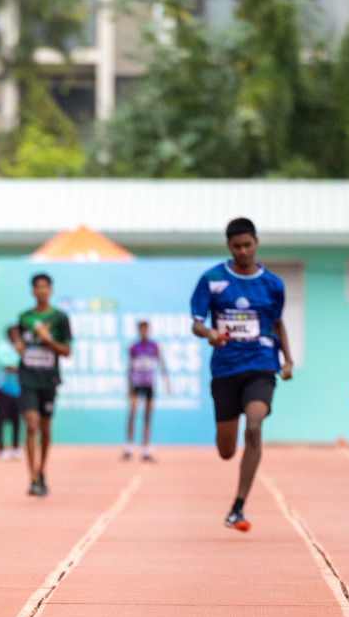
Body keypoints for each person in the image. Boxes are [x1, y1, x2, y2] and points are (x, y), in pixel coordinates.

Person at [191, 217, 293, 534]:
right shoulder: (212, 279)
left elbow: (277, 323)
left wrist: (288, 360)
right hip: (225, 369)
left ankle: (238, 506)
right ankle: (229, 451)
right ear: (228, 246)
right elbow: (196, 322)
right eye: (237, 246)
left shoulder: (273, 284)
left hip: (262, 364)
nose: (243, 251)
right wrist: (209, 333)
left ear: (256, 243)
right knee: (226, 450)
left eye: (248, 245)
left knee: (254, 426)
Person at [17, 273, 72, 497]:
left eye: (45, 287)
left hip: (49, 379)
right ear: (32, 291)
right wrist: (20, 348)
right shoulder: (24, 317)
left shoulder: (60, 318)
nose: (41, 291)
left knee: (45, 427)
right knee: (31, 424)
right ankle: (32, 478)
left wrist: (47, 339)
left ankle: (42, 470)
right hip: (28, 377)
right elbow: (21, 343)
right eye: (37, 287)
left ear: (51, 290)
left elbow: (67, 351)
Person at [123, 319, 171, 462]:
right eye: (141, 329)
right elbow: (130, 366)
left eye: (146, 329)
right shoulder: (133, 347)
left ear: (148, 330)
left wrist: (166, 382)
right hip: (136, 383)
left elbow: (161, 364)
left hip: (149, 383)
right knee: (132, 414)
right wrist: (128, 387)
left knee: (147, 417)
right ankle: (129, 446)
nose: (143, 332)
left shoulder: (154, 346)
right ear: (139, 330)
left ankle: (145, 449)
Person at [0, 325, 22, 460]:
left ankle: (15, 448)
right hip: (2, 388)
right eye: (14, 334)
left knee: (17, 419)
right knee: (1, 418)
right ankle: (1, 448)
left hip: (17, 389)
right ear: (9, 335)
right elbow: (9, 367)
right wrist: (27, 369)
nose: (17, 337)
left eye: (18, 334)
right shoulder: (2, 348)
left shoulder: (21, 348)